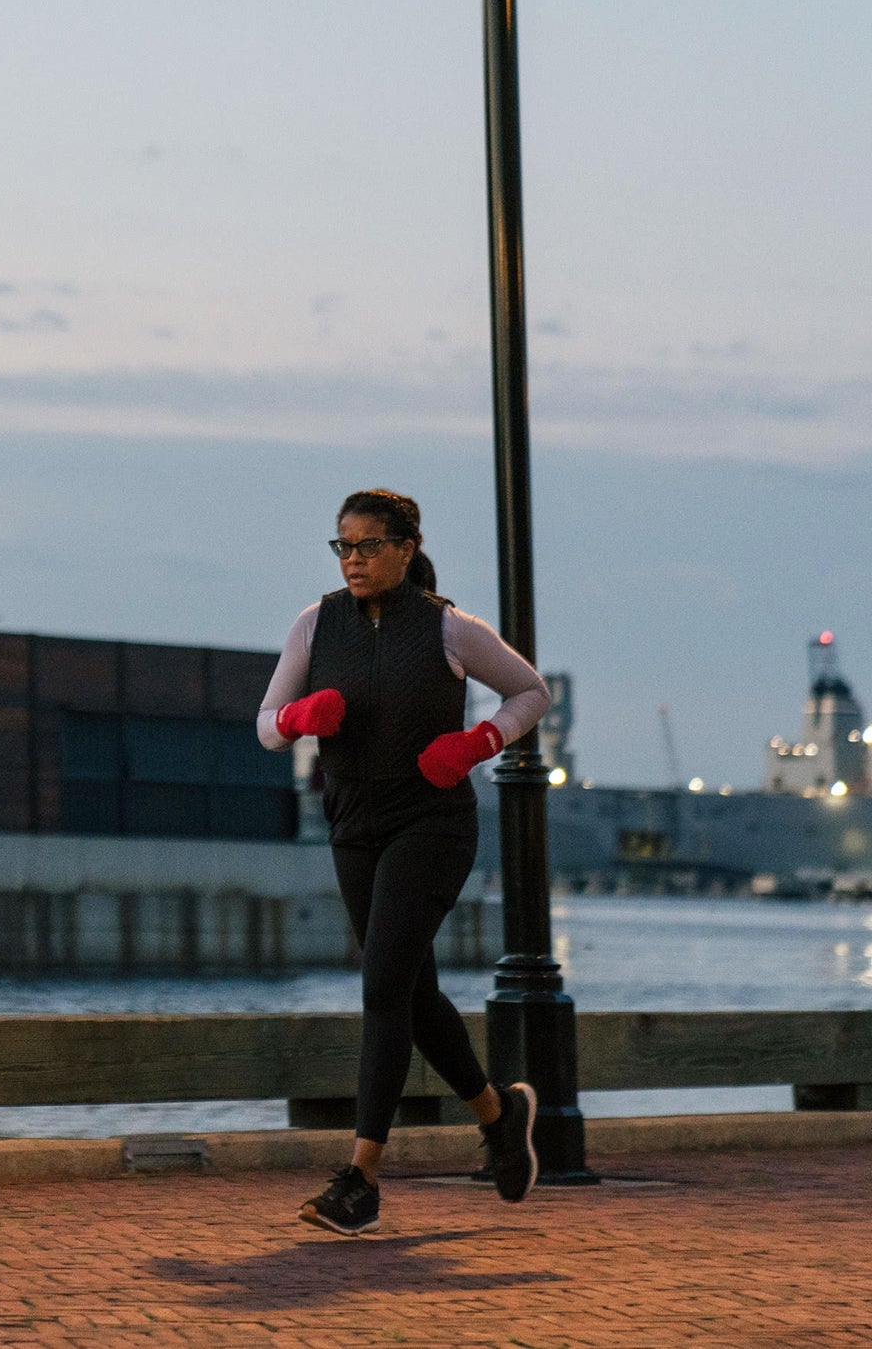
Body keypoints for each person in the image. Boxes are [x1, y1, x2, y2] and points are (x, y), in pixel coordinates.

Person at [256, 487, 553, 1236]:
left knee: (383, 985)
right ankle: (499, 1112)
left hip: (431, 823)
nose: (352, 559)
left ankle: (360, 1178)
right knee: (411, 995)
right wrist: (298, 719)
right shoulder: (315, 623)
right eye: (342, 546)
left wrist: (479, 744)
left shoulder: (451, 629)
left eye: (367, 546)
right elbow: (265, 723)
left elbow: (530, 692)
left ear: (406, 548)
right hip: (354, 825)